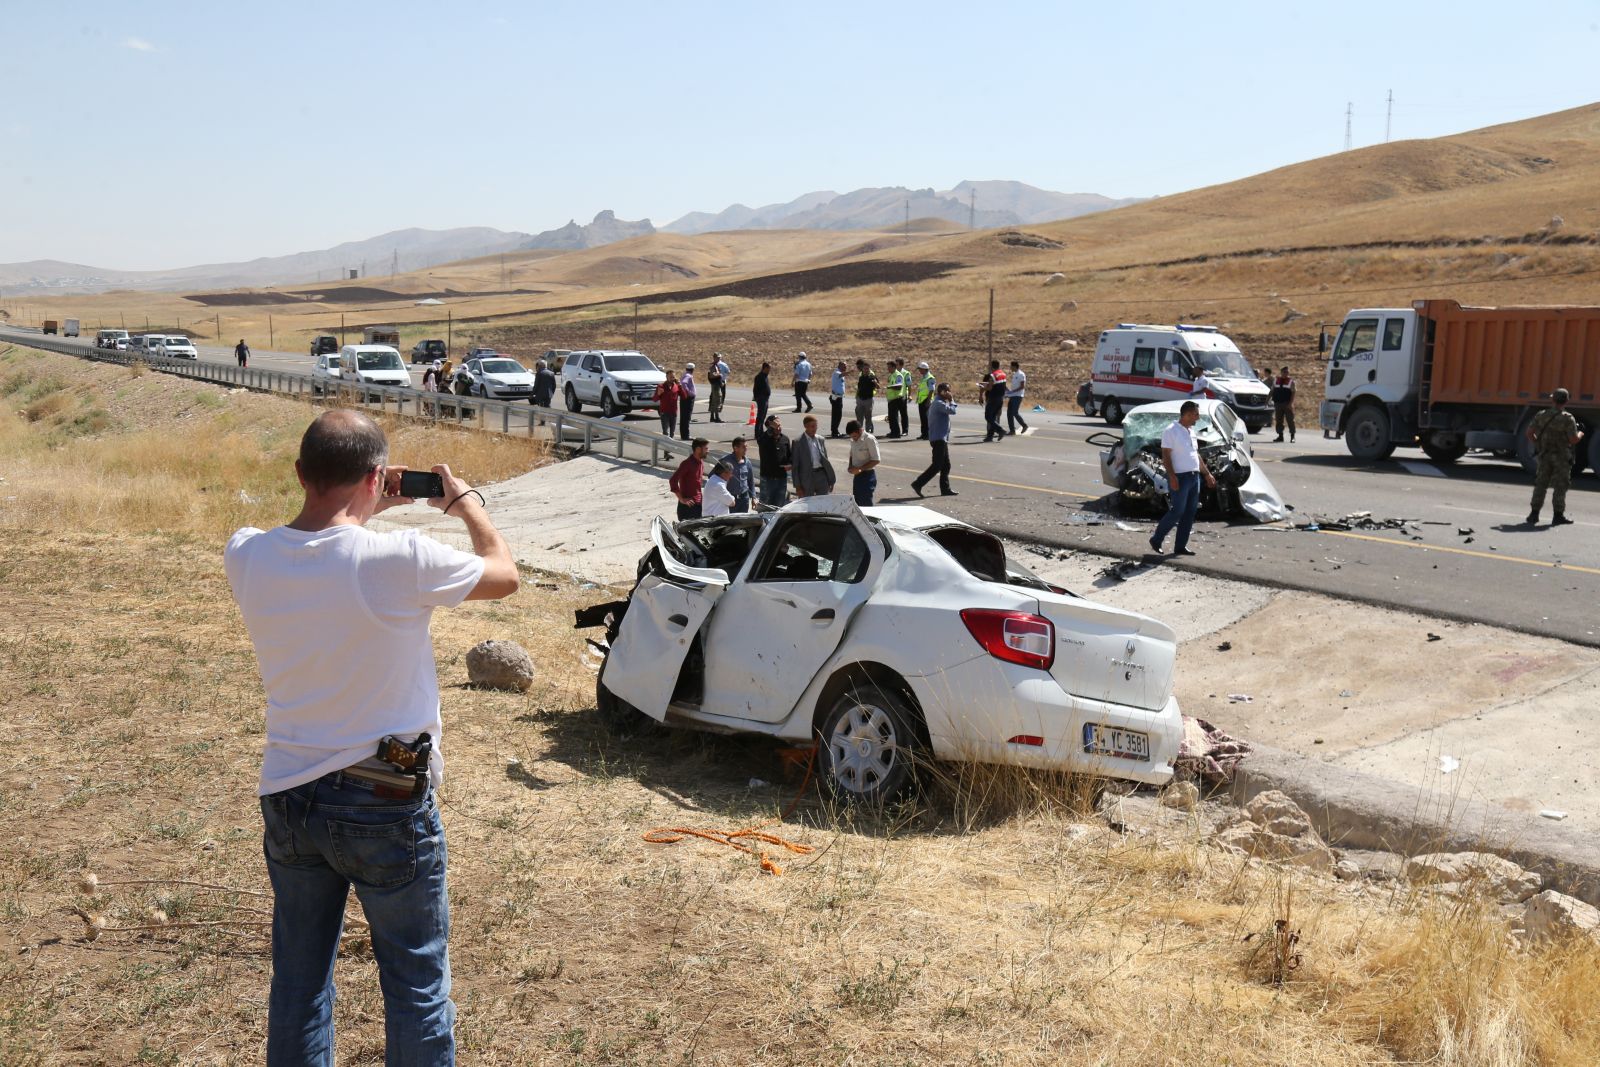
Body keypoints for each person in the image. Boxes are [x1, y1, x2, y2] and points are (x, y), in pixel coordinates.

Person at [225, 410, 518, 1066]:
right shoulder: (399, 560)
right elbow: (503, 573)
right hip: (384, 793)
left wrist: (362, 506)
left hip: (291, 793)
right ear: (379, 477)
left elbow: (317, 549)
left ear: (300, 473)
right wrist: (468, 505)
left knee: (299, 984)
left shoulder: (245, 553)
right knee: (414, 985)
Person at [1149, 401, 1217, 557]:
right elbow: (1165, 456)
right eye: (1196, 414)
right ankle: (1156, 539)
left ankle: (1180, 546)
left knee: (1190, 512)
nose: (1198, 417)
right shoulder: (1171, 431)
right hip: (1180, 477)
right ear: (1186, 414)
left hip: (1194, 477)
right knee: (1177, 511)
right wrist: (1172, 477)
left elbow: (1196, 455)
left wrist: (1207, 474)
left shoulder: (1191, 431)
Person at [1527, 387, 1584, 526]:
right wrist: (1581, 433)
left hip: (1544, 455)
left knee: (1540, 484)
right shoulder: (1568, 418)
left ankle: (1534, 515)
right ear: (1566, 401)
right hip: (1561, 457)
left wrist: (1538, 444)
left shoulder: (1541, 415)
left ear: (1553, 400)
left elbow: (1529, 433)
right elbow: (1573, 440)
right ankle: (1557, 516)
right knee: (1560, 486)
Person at [911, 383, 959, 497]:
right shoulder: (938, 403)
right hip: (938, 439)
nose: (949, 393)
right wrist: (952, 400)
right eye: (947, 391)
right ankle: (918, 483)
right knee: (937, 465)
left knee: (946, 465)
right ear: (942, 392)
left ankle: (945, 489)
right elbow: (952, 411)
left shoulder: (937, 403)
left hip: (941, 438)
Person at [791, 414, 836, 497]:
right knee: (807, 504)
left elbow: (825, 460)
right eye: (812, 426)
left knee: (823, 502)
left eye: (816, 426)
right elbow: (795, 466)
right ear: (805, 426)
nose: (814, 429)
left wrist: (830, 479)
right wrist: (798, 486)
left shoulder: (820, 439)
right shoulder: (797, 442)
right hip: (806, 478)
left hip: (821, 476)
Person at [755, 414, 792, 507]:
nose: (778, 428)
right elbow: (763, 439)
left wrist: (790, 464)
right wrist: (771, 428)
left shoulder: (785, 439)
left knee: (779, 507)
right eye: (776, 426)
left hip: (781, 479)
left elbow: (790, 456)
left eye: (779, 425)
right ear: (769, 427)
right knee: (765, 507)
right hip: (768, 479)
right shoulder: (764, 439)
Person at [670, 438, 709, 520]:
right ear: (698, 449)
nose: (707, 451)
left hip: (698, 505)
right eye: (706, 448)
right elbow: (673, 480)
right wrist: (681, 499)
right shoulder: (687, 464)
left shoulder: (701, 462)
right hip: (688, 507)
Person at [845, 419, 881, 506]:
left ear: (860, 430)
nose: (853, 438)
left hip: (868, 475)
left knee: (866, 503)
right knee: (857, 503)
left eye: (855, 436)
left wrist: (860, 469)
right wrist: (850, 466)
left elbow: (876, 460)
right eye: (851, 437)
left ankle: (869, 519)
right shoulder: (853, 440)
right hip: (857, 476)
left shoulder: (869, 439)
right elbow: (852, 455)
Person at [721, 436, 755, 513]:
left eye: (746, 446)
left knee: (743, 523)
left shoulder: (747, 462)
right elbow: (713, 477)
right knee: (730, 523)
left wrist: (753, 497)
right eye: (743, 447)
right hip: (730, 500)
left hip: (744, 500)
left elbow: (751, 481)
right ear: (736, 448)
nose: (746, 449)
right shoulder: (725, 461)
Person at [980, 360, 1007, 441]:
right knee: (993, 417)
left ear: (991, 366)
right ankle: (990, 436)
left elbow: (990, 388)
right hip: (1000, 398)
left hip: (993, 398)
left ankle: (1000, 430)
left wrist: (983, 387)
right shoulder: (1003, 374)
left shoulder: (993, 375)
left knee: (988, 416)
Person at [884, 358, 908, 438]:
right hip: (892, 399)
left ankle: (896, 433)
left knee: (894, 417)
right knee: (891, 417)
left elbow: (899, 386)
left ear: (894, 367)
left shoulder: (898, 375)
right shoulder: (891, 375)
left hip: (896, 399)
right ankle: (893, 432)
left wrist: (889, 387)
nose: (888, 369)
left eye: (889, 367)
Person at [1005, 361, 1030, 436]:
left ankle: (1024, 425)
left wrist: (1012, 392)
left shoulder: (1021, 374)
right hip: (1013, 395)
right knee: (1009, 413)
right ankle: (1012, 430)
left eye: (1011, 366)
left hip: (1018, 396)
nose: (1010, 368)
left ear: (1015, 366)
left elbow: (1022, 386)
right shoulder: (1015, 374)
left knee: (1015, 412)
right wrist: (1009, 392)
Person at [1271, 366, 1296, 442]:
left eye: (1287, 372)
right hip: (1278, 403)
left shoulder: (1291, 381)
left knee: (1290, 420)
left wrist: (1290, 403)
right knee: (1279, 420)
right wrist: (1267, 401)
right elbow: (1272, 391)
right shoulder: (1276, 380)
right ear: (1281, 372)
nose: (1286, 373)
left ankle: (1292, 436)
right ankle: (1280, 436)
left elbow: (1293, 393)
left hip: (1287, 404)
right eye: (1284, 372)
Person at [854, 360, 878, 435]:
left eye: (867, 368)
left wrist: (875, 383)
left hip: (868, 399)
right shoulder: (861, 377)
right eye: (865, 368)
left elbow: (878, 386)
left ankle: (868, 431)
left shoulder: (872, 376)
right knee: (859, 416)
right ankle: (860, 431)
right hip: (860, 399)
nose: (866, 370)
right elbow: (859, 387)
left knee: (868, 416)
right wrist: (857, 397)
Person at [914, 361, 936, 439]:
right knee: (923, 418)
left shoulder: (929, 378)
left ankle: (927, 434)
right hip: (922, 400)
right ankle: (923, 434)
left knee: (926, 418)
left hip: (926, 400)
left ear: (924, 369)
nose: (919, 371)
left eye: (920, 369)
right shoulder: (924, 377)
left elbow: (932, 390)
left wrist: (928, 400)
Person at [677, 364, 698, 440]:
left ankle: (684, 435)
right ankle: (686, 435)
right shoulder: (688, 376)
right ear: (693, 369)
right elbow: (684, 383)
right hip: (688, 398)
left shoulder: (685, 374)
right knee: (686, 417)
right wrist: (688, 392)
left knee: (684, 417)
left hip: (685, 398)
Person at [707, 353, 729, 423]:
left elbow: (728, 372)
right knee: (716, 399)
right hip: (716, 384)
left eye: (719, 357)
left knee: (715, 399)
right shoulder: (713, 366)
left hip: (717, 383)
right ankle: (716, 417)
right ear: (714, 357)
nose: (718, 359)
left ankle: (713, 417)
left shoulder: (719, 365)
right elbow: (711, 375)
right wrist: (719, 375)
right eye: (717, 357)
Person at [829, 361, 848, 437]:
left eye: (846, 366)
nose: (845, 367)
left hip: (839, 397)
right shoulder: (837, 372)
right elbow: (841, 375)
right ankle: (834, 432)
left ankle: (835, 430)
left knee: (838, 415)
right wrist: (849, 372)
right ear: (840, 366)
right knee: (836, 415)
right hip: (836, 398)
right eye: (844, 366)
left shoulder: (841, 373)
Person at [752, 361, 772, 432]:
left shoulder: (765, 376)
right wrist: (757, 397)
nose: (769, 370)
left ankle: (761, 430)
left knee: (763, 415)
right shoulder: (759, 377)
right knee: (760, 416)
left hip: (766, 398)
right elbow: (755, 389)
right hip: (761, 398)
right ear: (765, 368)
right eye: (768, 368)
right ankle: (757, 431)